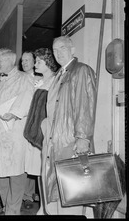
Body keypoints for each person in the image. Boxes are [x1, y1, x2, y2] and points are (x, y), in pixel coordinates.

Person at [41, 36, 96, 216]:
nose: (58, 53)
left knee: (72, 194)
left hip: (71, 142)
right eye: (55, 50)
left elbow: (85, 105)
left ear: (72, 50)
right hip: (56, 142)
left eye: (62, 48)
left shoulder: (81, 71)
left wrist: (83, 138)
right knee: (58, 195)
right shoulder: (59, 75)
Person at [0, 48, 35, 215]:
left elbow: (27, 100)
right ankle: (6, 207)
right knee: (2, 175)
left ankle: (13, 210)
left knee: (16, 174)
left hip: (15, 134)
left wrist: (14, 113)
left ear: (10, 61)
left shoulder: (24, 79)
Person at [23, 48, 59, 215]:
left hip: (47, 133)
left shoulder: (55, 81)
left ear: (48, 63)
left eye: (38, 61)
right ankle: (44, 206)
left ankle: (48, 208)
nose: (35, 64)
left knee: (47, 172)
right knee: (39, 171)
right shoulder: (41, 81)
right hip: (37, 133)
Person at [20, 51, 42, 209]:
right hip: (18, 123)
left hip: (33, 123)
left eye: (28, 60)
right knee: (19, 159)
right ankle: (16, 194)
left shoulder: (40, 79)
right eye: (23, 60)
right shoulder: (18, 78)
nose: (24, 62)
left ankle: (28, 195)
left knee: (32, 160)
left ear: (34, 62)